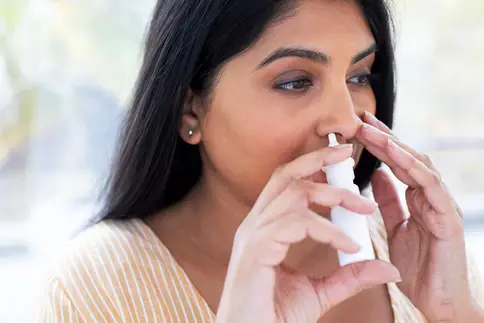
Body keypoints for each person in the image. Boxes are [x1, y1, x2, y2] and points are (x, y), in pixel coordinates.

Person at [39, 0, 484, 322]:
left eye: (359, 75)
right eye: (294, 82)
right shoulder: (97, 289)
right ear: (189, 108)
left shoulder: (424, 258)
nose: (346, 120)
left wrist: (454, 315)